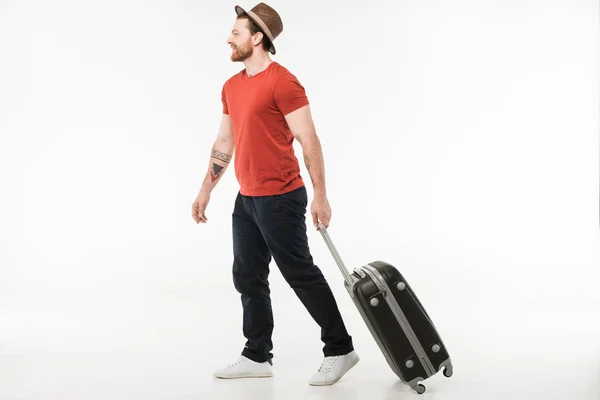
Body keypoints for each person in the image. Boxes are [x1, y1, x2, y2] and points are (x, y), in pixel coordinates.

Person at [191, 2, 359, 386]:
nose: (229, 38)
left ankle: (340, 349)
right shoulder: (232, 86)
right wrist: (205, 190)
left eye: (236, 32)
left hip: (281, 196)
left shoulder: (283, 82)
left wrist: (321, 196)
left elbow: (308, 138)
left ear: (256, 38)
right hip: (247, 198)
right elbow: (224, 141)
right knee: (247, 275)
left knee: (299, 273)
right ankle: (257, 355)